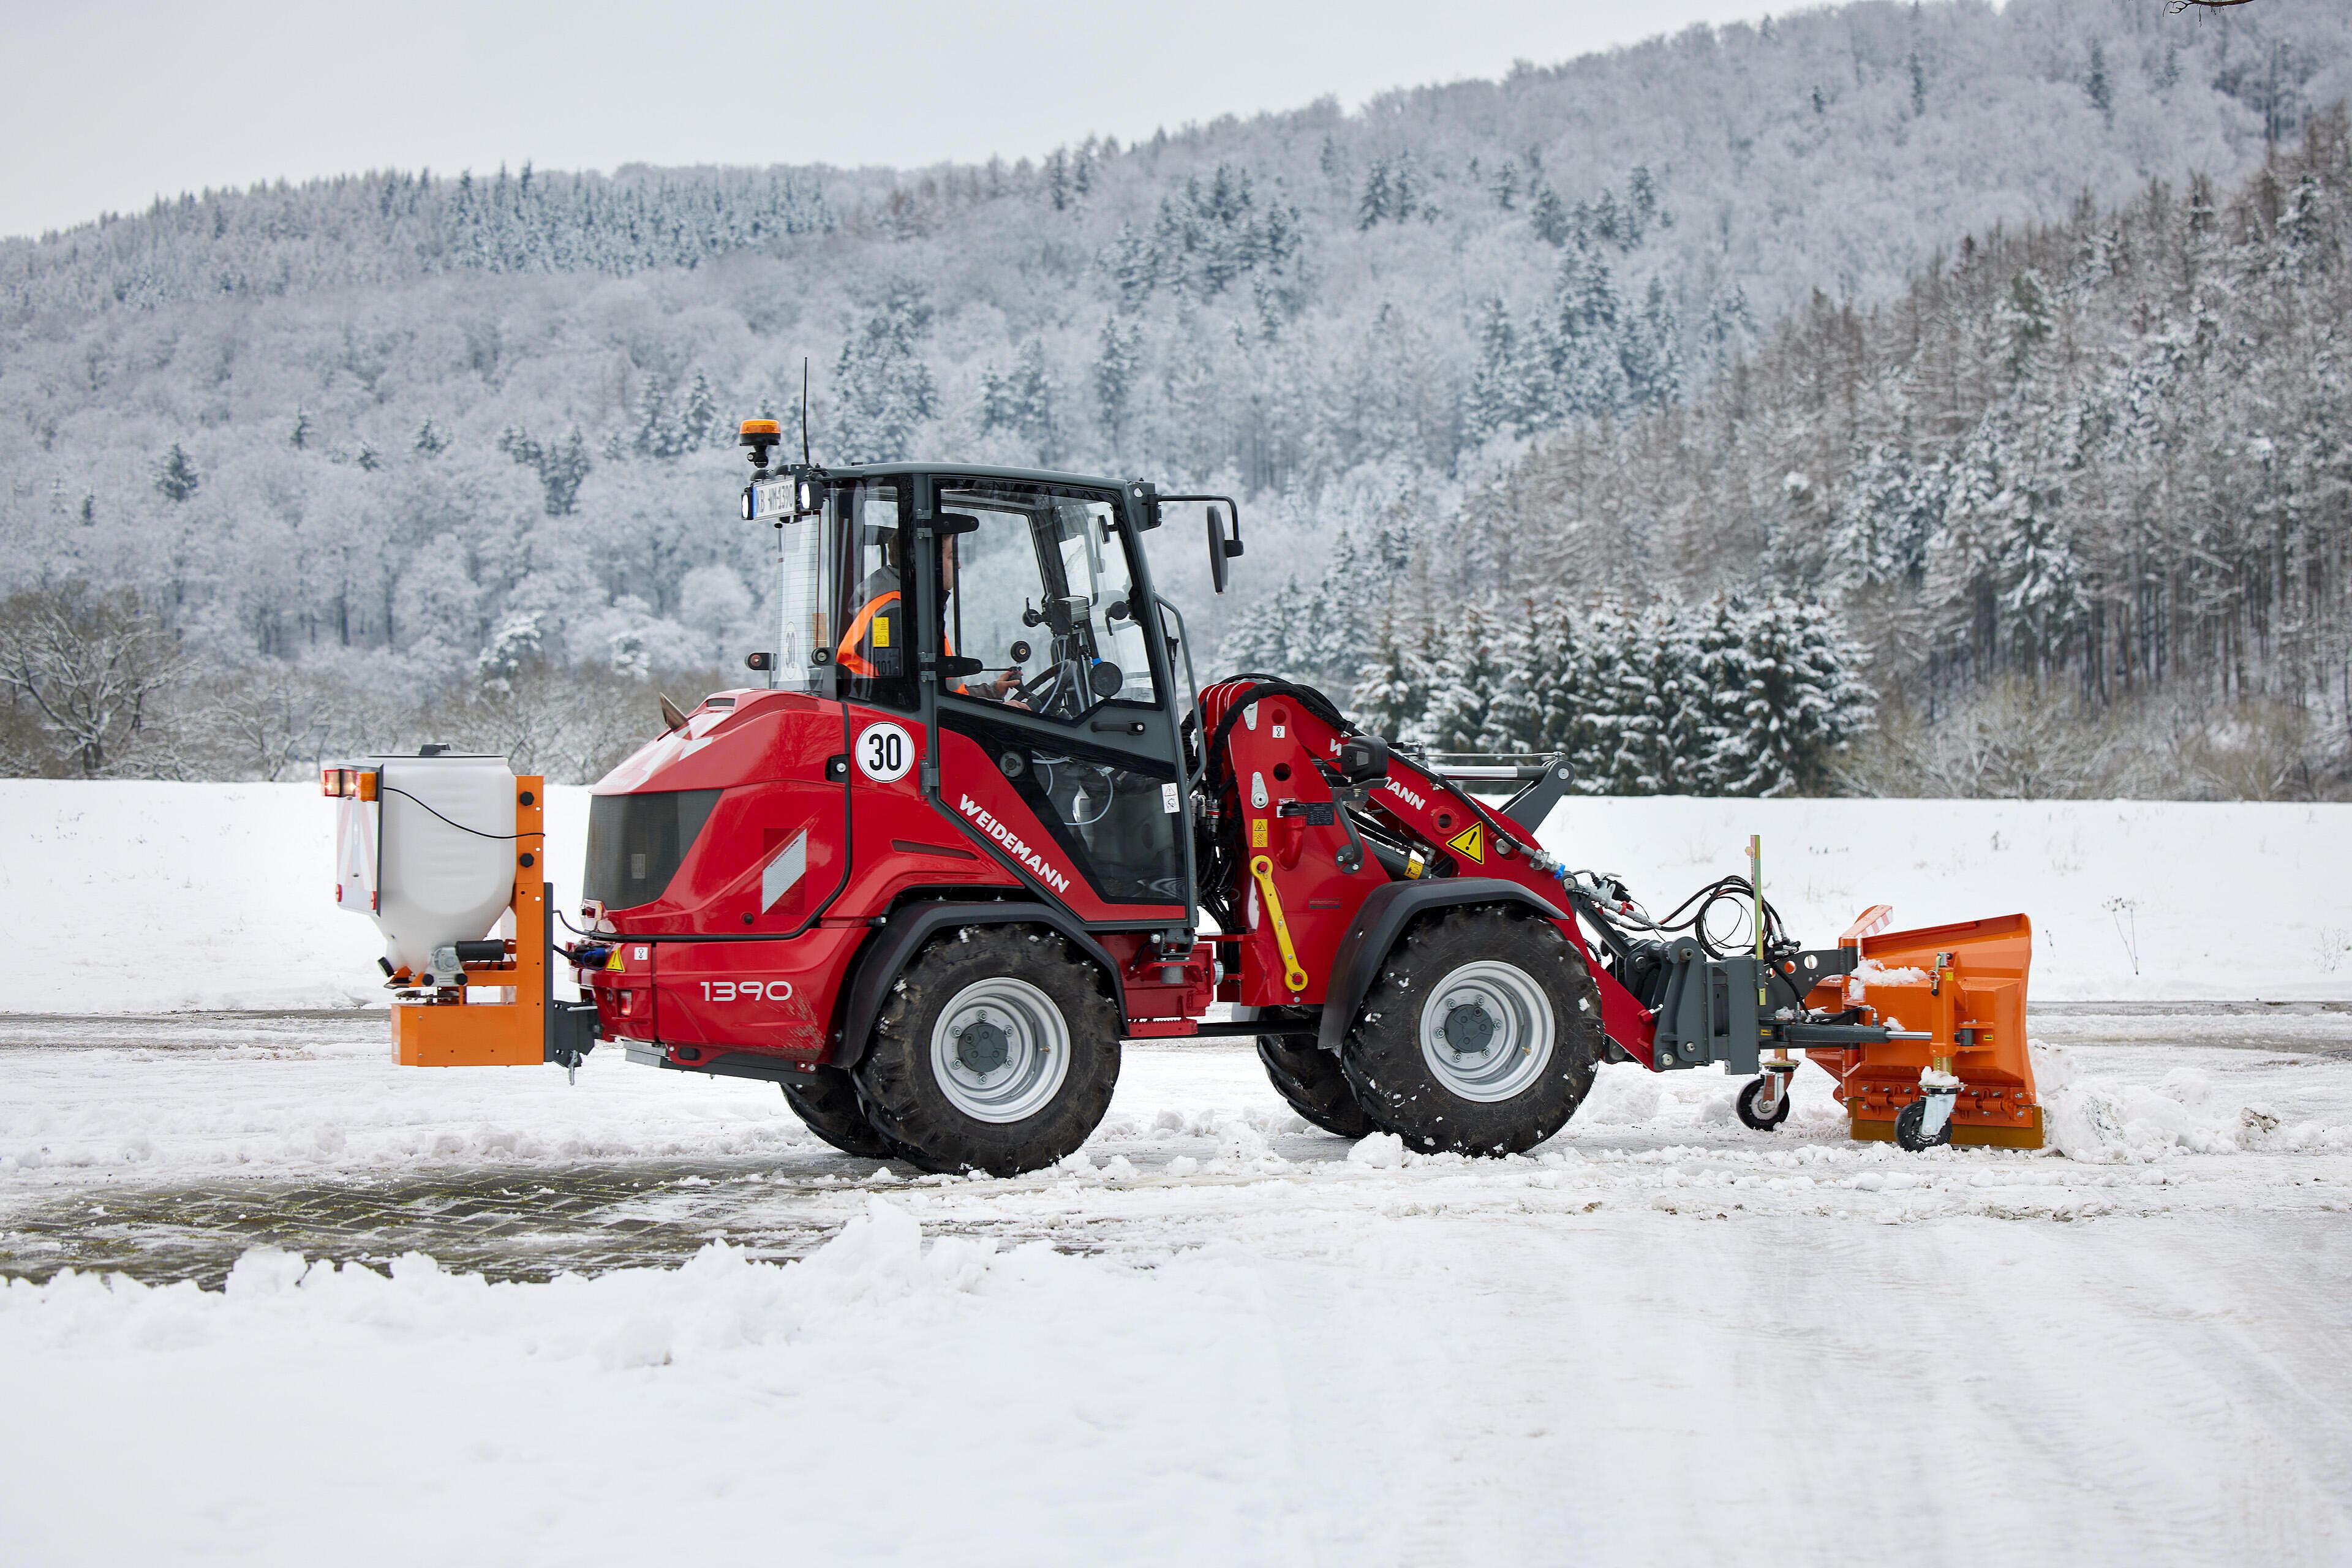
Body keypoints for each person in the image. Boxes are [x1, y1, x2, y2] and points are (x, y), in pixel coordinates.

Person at [837, 529, 1020, 700]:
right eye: (951, 557)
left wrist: (992, 692)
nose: (959, 565)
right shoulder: (894, 616)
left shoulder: (908, 606)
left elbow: (932, 697)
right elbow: (911, 703)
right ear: (928, 564)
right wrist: (1003, 710)